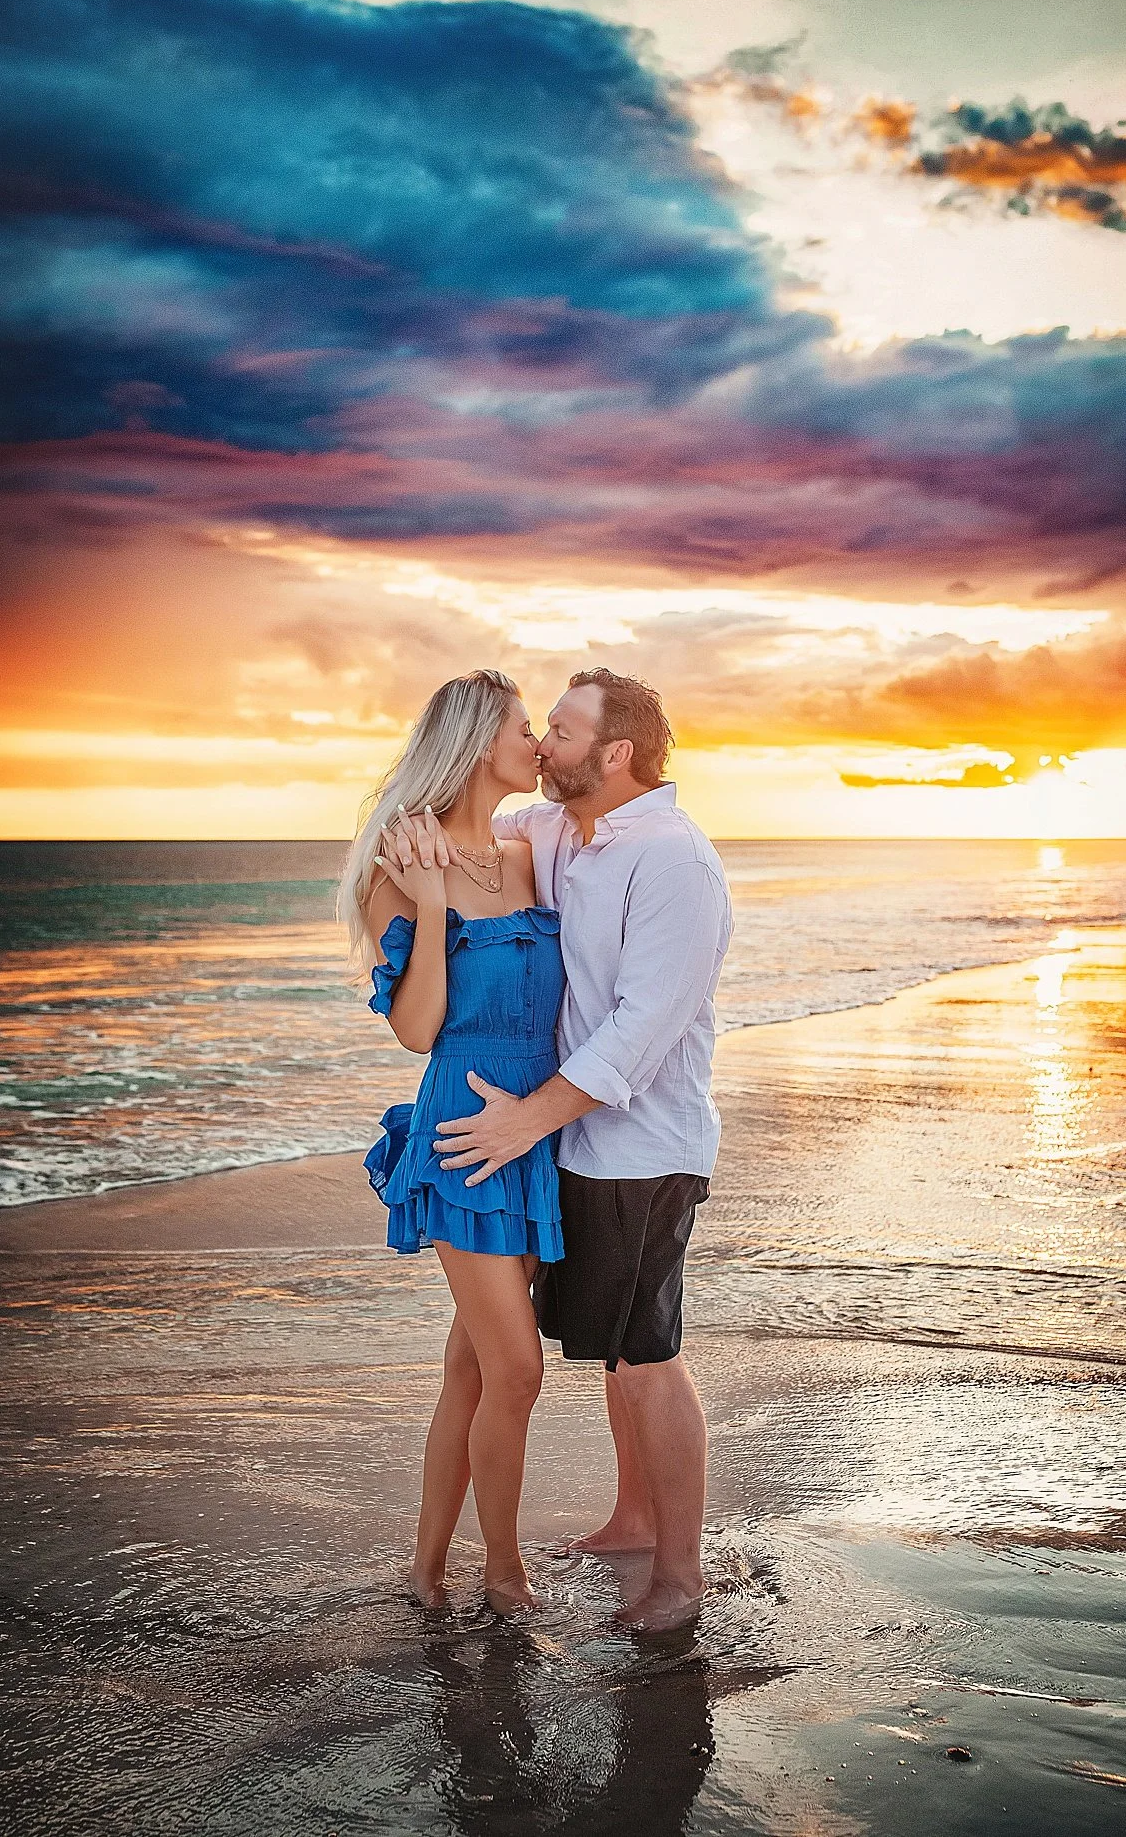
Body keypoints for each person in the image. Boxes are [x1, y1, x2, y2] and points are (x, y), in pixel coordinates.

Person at [432, 669, 732, 1632]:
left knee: (648, 1355)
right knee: (609, 1350)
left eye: (561, 732)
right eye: (544, 728)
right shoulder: (563, 829)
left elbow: (642, 1029)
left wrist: (524, 1119)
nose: (545, 746)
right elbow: (484, 839)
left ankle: (680, 1573)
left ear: (617, 755)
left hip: (644, 1146)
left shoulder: (676, 862)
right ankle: (633, 1517)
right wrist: (409, 836)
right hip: (577, 1144)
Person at [337, 669, 565, 1615]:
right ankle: (501, 1575)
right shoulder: (401, 869)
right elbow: (418, 1029)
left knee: (472, 1368)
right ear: (477, 744)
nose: (539, 743)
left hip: (537, 1129)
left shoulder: (524, 855)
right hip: (466, 1137)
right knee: (516, 1370)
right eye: (523, 728)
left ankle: (425, 1574)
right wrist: (431, 903)